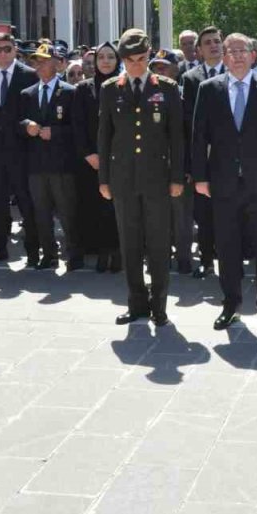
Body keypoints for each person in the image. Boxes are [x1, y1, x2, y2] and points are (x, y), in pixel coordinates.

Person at [192, 33, 257, 331]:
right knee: (227, 246)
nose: (237, 56)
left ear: (253, 56)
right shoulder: (209, 89)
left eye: (242, 51)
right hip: (223, 182)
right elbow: (199, 137)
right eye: (231, 51)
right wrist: (199, 177)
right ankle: (230, 304)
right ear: (223, 57)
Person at [99, 29, 185, 326]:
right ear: (123, 59)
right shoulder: (111, 88)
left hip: (157, 179)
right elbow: (104, 137)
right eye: (131, 60)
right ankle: (136, 303)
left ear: (149, 56)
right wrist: (104, 180)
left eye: (142, 58)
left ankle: (159, 305)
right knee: (130, 243)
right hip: (123, 179)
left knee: (159, 243)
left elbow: (177, 138)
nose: (137, 64)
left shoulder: (167, 87)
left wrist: (177, 178)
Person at [0, 33, 41, 266]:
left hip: (22, 150)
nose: (2, 54)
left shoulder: (29, 75)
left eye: (7, 49)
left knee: (26, 202)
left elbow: (34, 113)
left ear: (15, 50)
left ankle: (34, 251)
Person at [18, 44, 81, 271]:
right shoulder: (28, 93)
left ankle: (74, 253)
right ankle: (49, 254)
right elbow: (18, 123)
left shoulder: (70, 92)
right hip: (36, 165)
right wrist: (27, 126)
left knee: (67, 212)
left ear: (57, 63)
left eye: (44, 60)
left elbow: (78, 129)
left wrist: (55, 132)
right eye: (36, 60)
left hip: (61, 164)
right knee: (41, 213)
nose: (40, 64)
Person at [72, 41, 122, 272]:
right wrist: (88, 154)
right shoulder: (83, 88)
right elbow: (78, 125)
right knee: (94, 207)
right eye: (101, 57)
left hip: (120, 159)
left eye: (110, 57)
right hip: (91, 160)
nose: (105, 61)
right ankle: (101, 252)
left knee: (117, 209)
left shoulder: (125, 85)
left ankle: (119, 253)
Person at [180, 25, 225, 278]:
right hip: (203, 157)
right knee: (204, 213)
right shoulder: (190, 78)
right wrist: (190, 165)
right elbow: (188, 125)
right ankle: (206, 260)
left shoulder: (235, 72)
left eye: (217, 41)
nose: (213, 45)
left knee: (230, 212)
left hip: (231, 157)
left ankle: (232, 259)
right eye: (208, 42)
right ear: (198, 50)